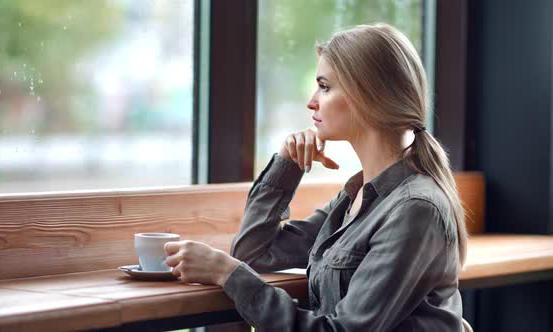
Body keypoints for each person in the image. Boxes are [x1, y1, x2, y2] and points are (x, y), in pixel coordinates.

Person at [164, 23, 468, 331]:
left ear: (367, 95)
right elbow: (253, 254)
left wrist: (227, 273)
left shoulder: (415, 209)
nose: (311, 101)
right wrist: (287, 164)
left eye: (324, 87)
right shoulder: (355, 198)